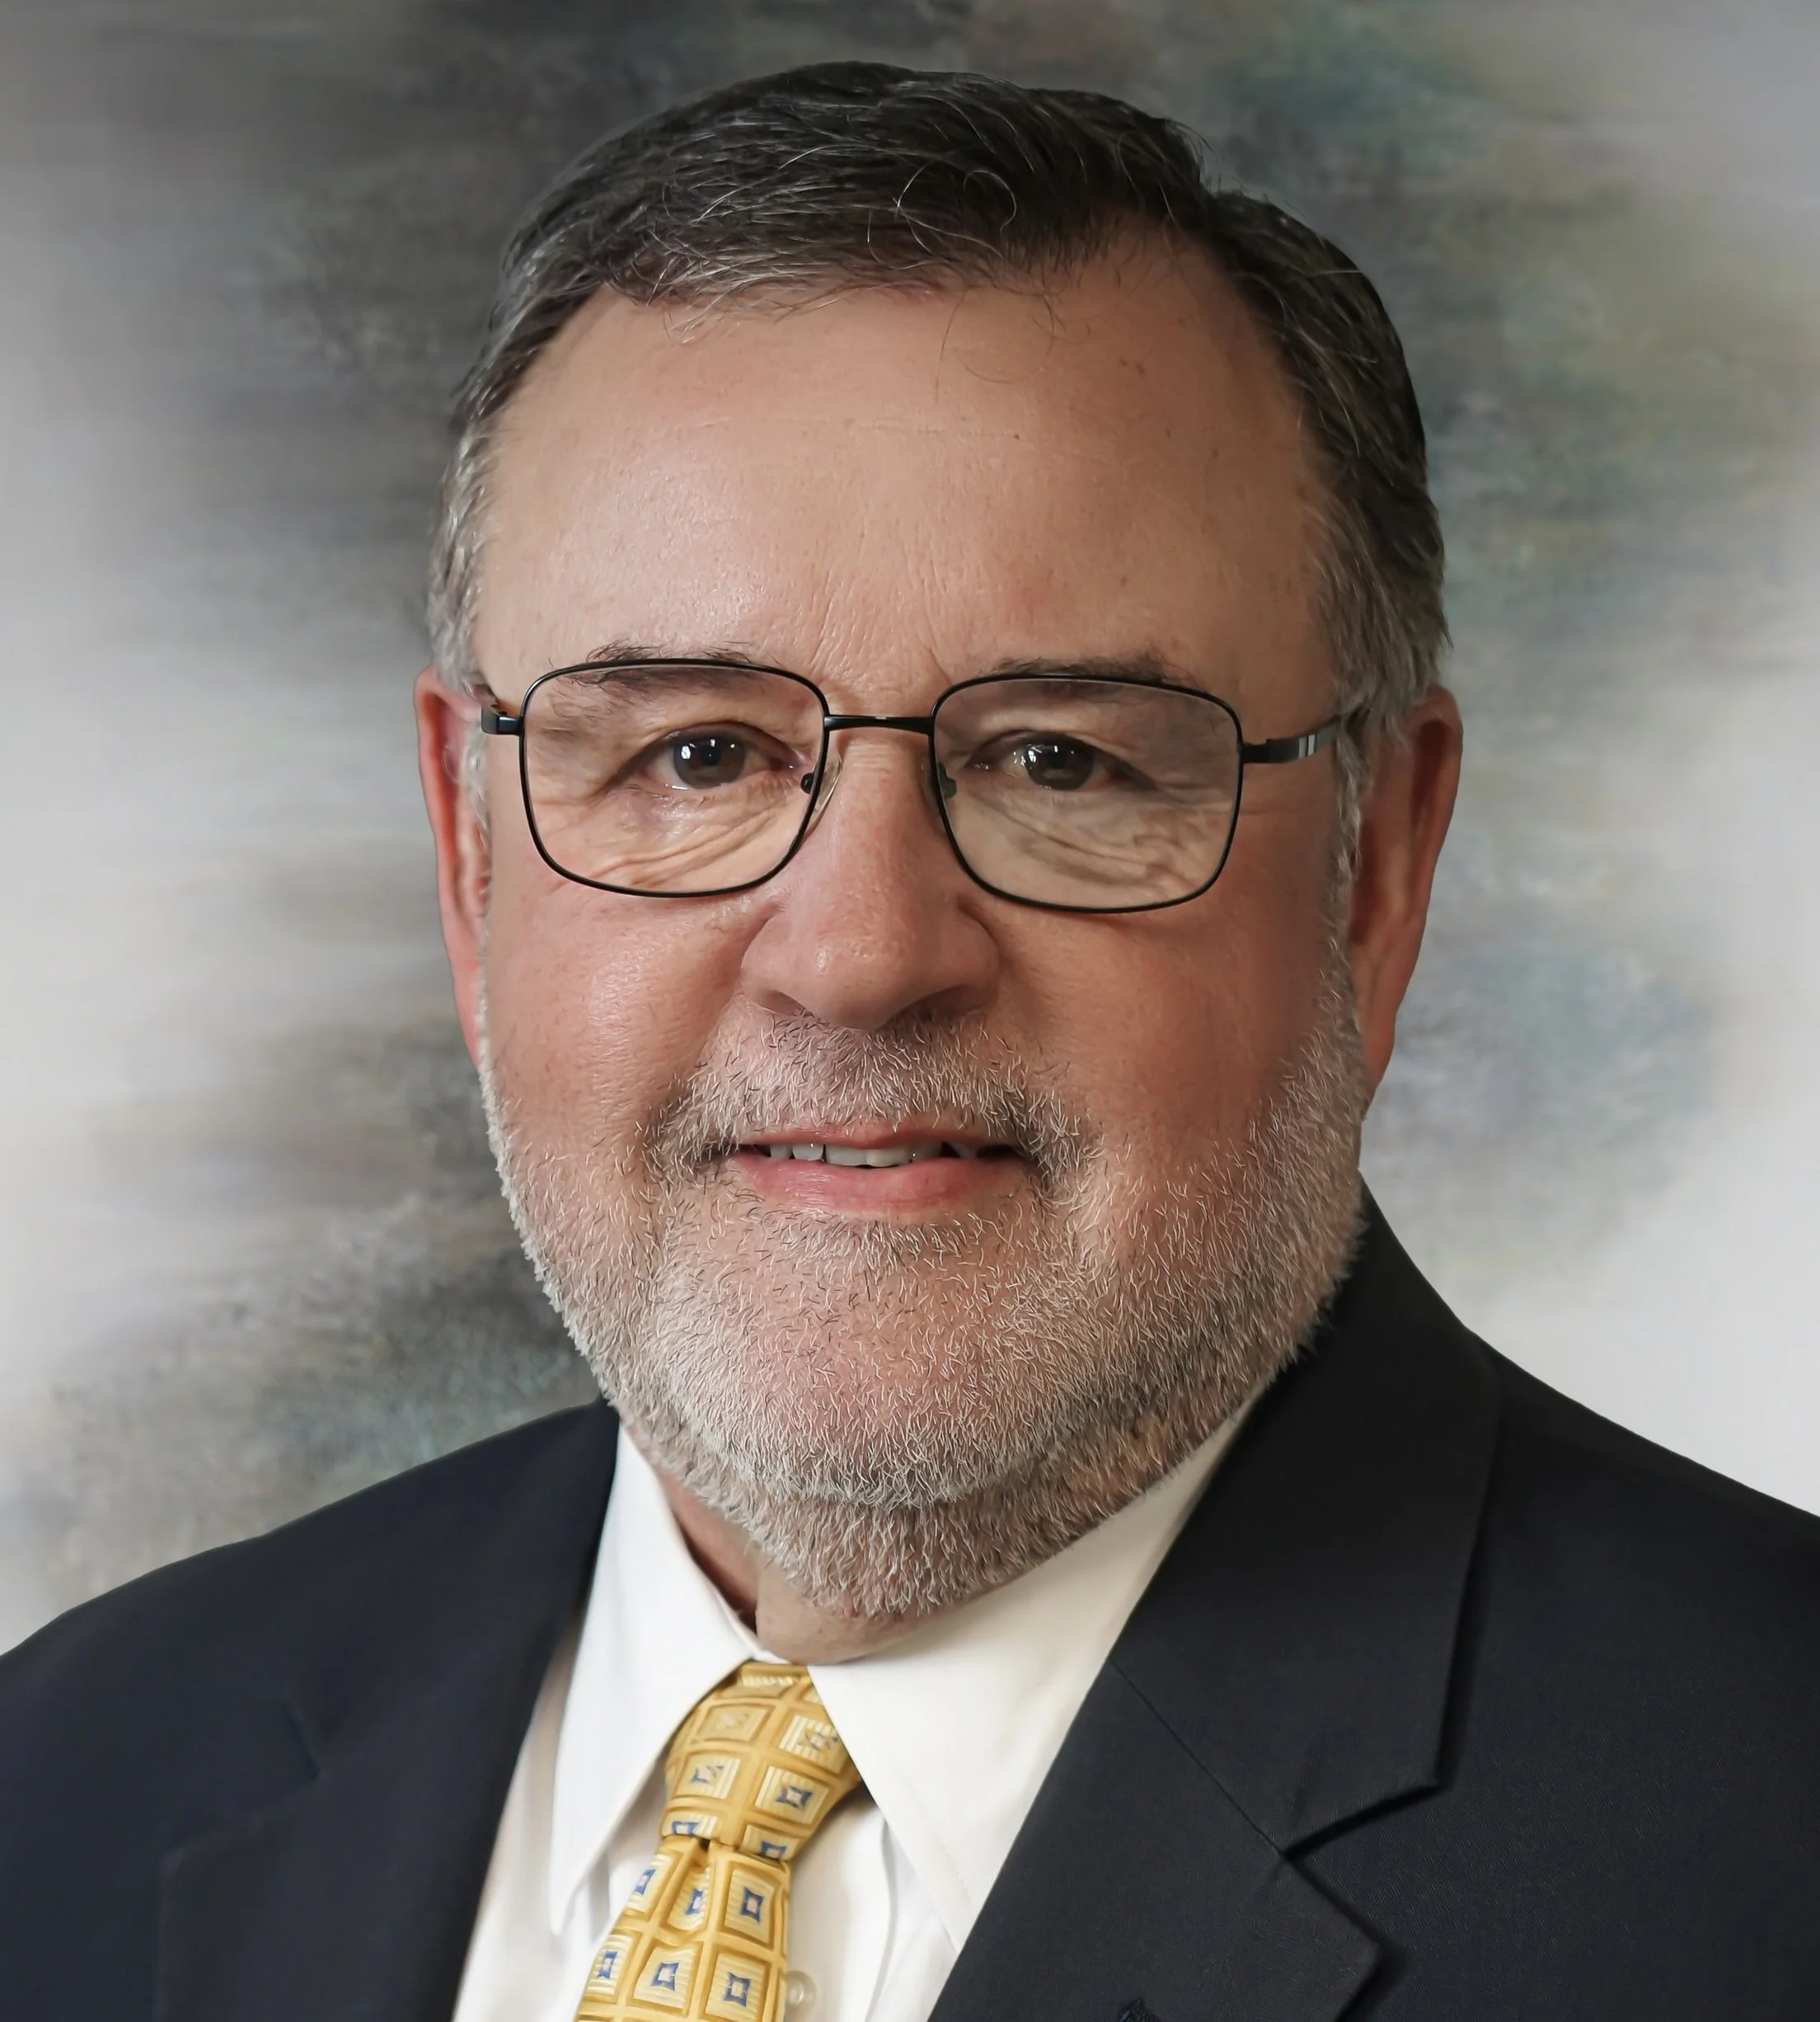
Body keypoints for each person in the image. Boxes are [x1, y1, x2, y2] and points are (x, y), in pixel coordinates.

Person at [3, 59, 1818, 2022]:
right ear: (469, 860)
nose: (861, 954)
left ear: (1378, 874)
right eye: (695, 754)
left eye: (1063, 759)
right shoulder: (76, 1771)